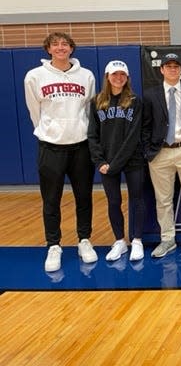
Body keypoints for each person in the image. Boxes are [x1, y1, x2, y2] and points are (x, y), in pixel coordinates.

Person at [24, 32, 97, 272]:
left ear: (72, 49)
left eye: (65, 44)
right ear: (48, 49)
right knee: (51, 199)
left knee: (84, 196)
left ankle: (84, 240)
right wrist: (49, 131)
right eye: (55, 44)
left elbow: (89, 110)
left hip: (81, 146)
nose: (60, 47)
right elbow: (35, 111)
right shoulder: (35, 76)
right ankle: (53, 245)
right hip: (50, 146)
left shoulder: (86, 76)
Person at [142, 53, 181, 258]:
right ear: (161, 70)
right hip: (161, 153)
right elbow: (145, 125)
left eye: (176, 66)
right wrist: (149, 150)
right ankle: (167, 239)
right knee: (163, 200)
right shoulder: (151, 94)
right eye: (168, 66)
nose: (172, 70)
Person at [87, 60, 146, 262]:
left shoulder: (135, 101)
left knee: (137, 199)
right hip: (106, 163)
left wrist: (115, 164)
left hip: (132, 159)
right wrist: (100, 161)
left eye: (122, 74)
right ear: (107, 77)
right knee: (113, 201)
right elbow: (92, 135)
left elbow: (133, 136)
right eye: (115, 74)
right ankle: (120, 241)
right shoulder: (96, 102)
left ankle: (137, 240)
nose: (118, 78)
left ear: (127, 78)